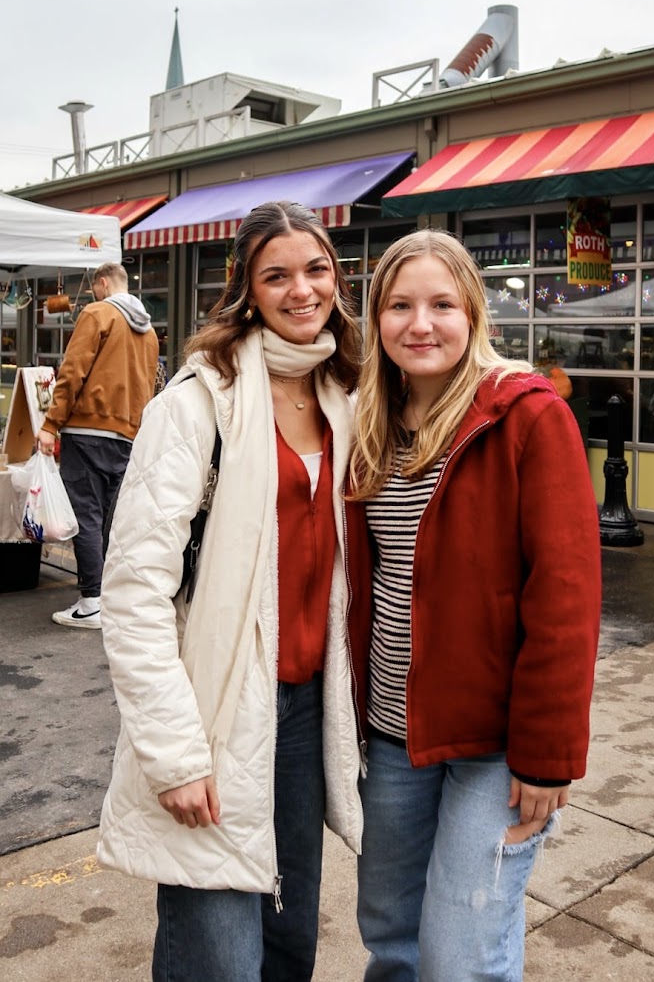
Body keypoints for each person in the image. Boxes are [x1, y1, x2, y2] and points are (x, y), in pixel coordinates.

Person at [96, 201, 364, 982]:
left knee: (288, 949)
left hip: (309, 714)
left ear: (338, 279)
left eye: (316, 269)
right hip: (214, 710)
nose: (301, 289)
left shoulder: (347, 392)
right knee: (217, 957)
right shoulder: (197, 401)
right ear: (246, 289)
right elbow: (135, 589)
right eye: (275, 274)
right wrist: (175, 756)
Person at [345, 229, 602, 982]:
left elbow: (566, 595)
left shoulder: (526, 415)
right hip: (394, 733)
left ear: (474, 313)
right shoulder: (370, 423)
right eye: (399, 305)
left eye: (440, 304)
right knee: (391, 935)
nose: (419, 323)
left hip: (495, 744)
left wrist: (549, 753)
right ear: (376, 317)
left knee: (461, 956)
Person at [37, 262, 158, 629]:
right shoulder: (149, 331)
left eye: (94, 289)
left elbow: (73, 371)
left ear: (103, 283)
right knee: (110, 520)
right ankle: (107, 598)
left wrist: (50, 423)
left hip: (87, 430)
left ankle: (91, 600)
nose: (93, 295)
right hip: (128, 435)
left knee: (85, 516)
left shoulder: (98, 313)